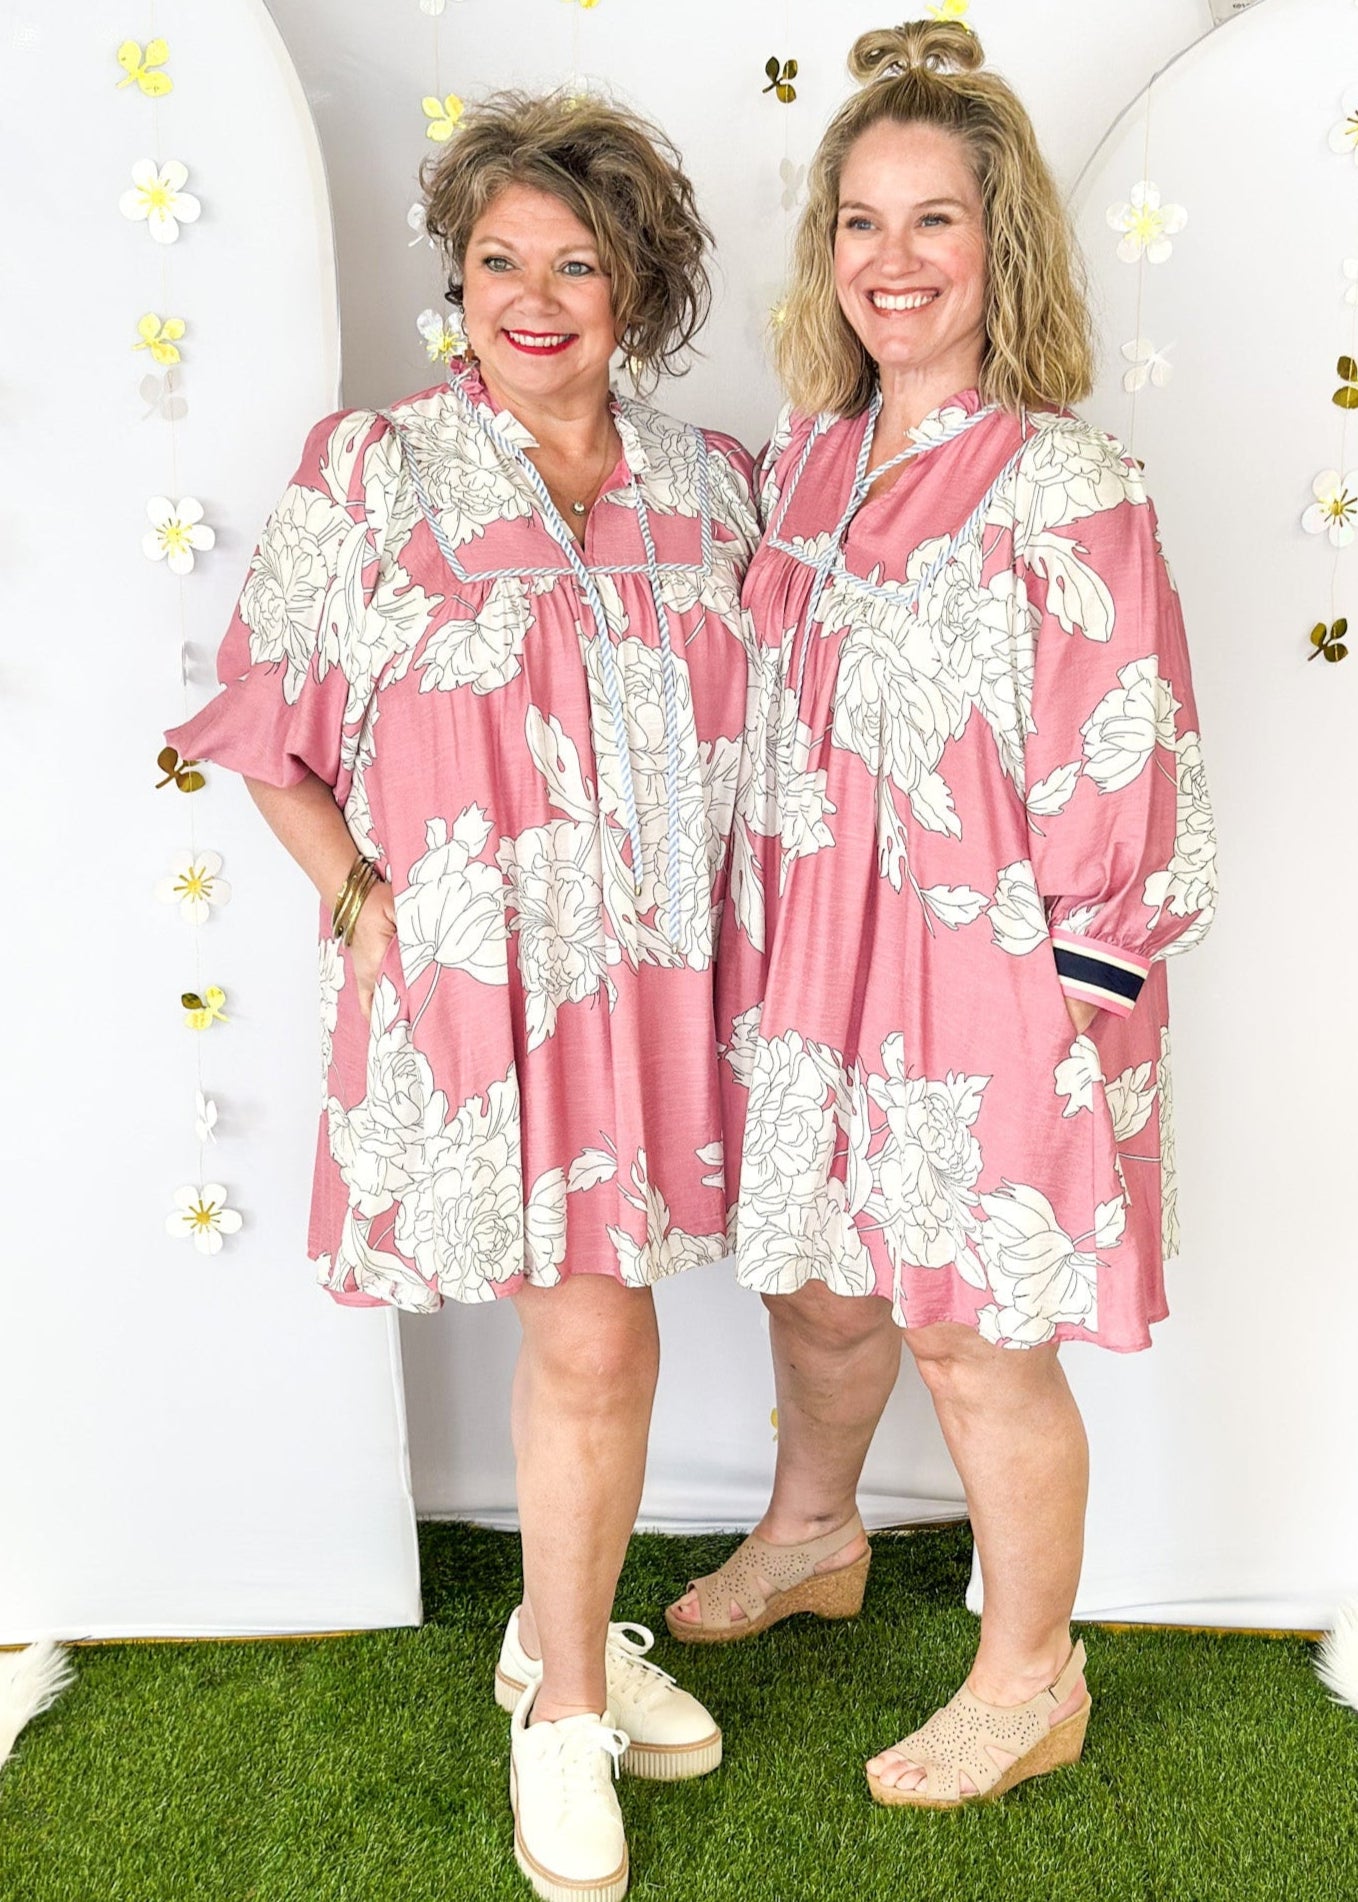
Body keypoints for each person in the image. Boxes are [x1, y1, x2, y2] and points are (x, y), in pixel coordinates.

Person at [166, 90, 758, 1902]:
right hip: (474, 979)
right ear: (458, 278)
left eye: (576, 261)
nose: (532, 293)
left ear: (636, 285)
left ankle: (545, 1632)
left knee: (603, 1319)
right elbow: (261, 724)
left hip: (655, 985)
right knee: (592, 1333)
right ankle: (564, 1705)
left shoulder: (710, 486)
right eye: (498, 258)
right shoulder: (372, 470)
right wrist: (354, 896)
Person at [668, 18, 1217, 1810]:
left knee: (976, 1328)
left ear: (1002, 248)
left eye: (933, 222)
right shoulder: (807, 462)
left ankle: (1027, 1672)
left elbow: (1127, 753)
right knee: (823, 1291)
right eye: (858, 221)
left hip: (993, 971)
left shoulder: (1071, 486)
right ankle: (814, 1532)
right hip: (818, 957)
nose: (891, 261)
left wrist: (1074, 996)